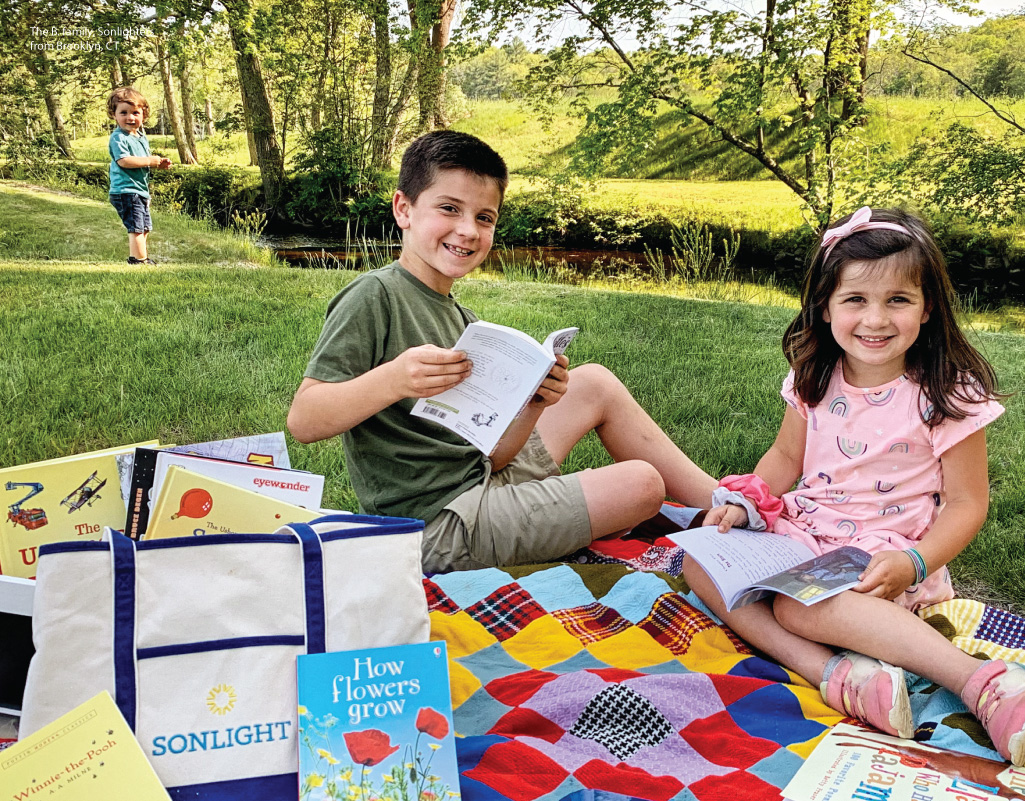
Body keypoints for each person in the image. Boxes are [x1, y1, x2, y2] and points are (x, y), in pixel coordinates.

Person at [684, 207, 1025, 767]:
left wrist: (916, 562)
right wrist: (746, 498)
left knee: (796, 608)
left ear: (927, 308)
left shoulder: (945, 393)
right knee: (701, 561)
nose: (875, 319)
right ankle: (835, 674)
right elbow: (787, 457)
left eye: (897, 300)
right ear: (826, 307)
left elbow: (967, 503)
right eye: (855, 299)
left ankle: (985, 684)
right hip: (806, 532)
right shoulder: (815, 376)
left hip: (881, 552)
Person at [287, 130, 716, 574]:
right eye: (449, 208)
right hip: (435, 528)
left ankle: (724, 501)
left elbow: (492, 456)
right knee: (642, 485)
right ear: (404, 209)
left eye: (485, 217)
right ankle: (711, 513)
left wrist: (532, 404)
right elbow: (304, 420)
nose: (468, 230)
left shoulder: (466, 322)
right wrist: (394, 379)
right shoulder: (375, 296)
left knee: (594, 383)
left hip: (481, 482)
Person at [107, 87, 170, 265]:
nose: (130, 117)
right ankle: (139, 261)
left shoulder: (141, 137)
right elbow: (124, 161)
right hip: (125, 190)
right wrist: (150, 161)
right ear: (114, 115)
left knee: (144, 227)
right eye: (124, 113)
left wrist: (158, 163)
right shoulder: (118, 138)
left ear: (144, 115)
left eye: (135, 112)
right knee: (136, 228)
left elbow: (142, 160)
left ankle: (140, 258)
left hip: (140, 190)